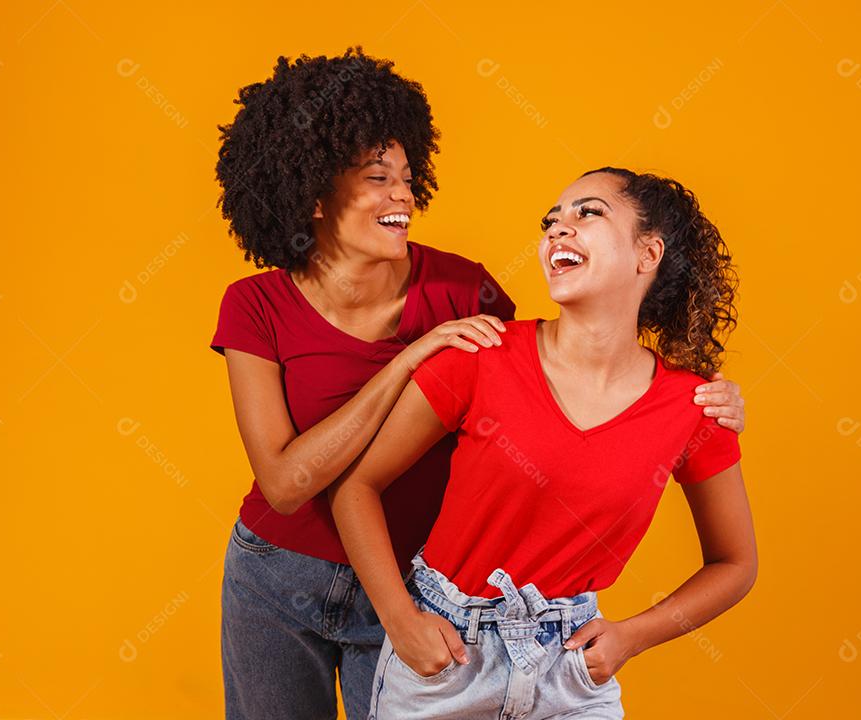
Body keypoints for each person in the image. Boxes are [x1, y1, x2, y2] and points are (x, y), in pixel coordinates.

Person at [211, 47, 748, 720]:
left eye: (408, 177)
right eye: (379, 178)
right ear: (312, 190)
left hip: (413, 583)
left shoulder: (467, 291)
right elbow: (288, 485)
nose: (402, 194)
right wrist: (407, 361)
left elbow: (545, 391)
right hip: (278, 575)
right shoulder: (255, 306)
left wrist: (702, 407)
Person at [327, 167, 757, 719]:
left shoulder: (695, 407)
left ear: (647, 254)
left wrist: (632, 637)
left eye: (588, 213)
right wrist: (399, 619)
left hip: (571, 675)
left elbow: (735, 563)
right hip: (445, 664)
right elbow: (356, 485)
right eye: (551, 221)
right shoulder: (478, 357)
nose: (559, 230)